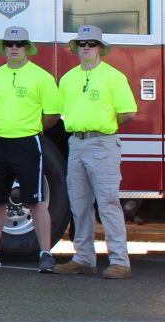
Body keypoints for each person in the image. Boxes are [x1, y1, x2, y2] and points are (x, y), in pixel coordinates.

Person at [0, 26, 62, 271]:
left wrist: (33, 129)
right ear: (3, 48)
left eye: (19, 44)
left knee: (35, 199)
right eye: (10, 44)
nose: (14, 48)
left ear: (27, 48)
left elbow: (52, 113)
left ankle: (45, 253)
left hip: (27, 142)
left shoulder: (41, 77)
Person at [54, 25, 138, 279]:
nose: (87, 47)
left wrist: (103, 127)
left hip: (103, 142)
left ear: (100, 48)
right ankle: (83, 258)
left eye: (91, 43)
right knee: (79, 204)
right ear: (76, 48)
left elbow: (128, 113)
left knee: (108, 203)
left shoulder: (113, 77)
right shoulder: (68, 79)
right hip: (77, 142)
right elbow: (62, 112)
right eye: (82, 43)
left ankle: (120, 262)